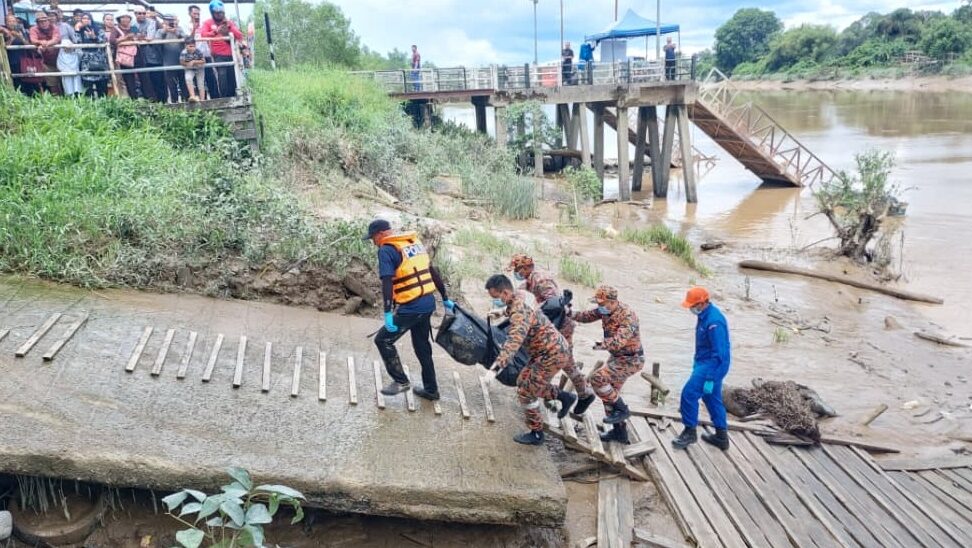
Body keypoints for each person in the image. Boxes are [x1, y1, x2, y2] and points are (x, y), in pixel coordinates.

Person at [365, 219, 453, 401]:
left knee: (383, 340)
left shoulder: (386, 249)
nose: (373, 242)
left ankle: (401, 381)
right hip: (428, 303)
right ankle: (431, 390)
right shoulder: (413, 244)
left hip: (412, 307)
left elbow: (387, 281)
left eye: (373, 238)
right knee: (422, 347)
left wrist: (388, 312)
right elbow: (432, 272)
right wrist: (444, 298)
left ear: (380, 234)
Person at [487, 274, 577, 445]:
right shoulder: (520, 294)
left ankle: (537, 433)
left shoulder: (519, 312)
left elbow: (513, 342)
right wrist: (501, 312)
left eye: (496, 298)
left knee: (526, 392)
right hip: (546, 350)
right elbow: (518, 308)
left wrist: (495, 368)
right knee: (522, 381)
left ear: (505, 293)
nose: (495, 300)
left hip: (551, 354)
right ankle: (564, 397)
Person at [508, 254, 596, 416]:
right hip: (556, 326)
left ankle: (558, 394)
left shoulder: (541, 280)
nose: (516, 272)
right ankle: (583, 394)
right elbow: (521, 293)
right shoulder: (530, 281)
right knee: (568, 363)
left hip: (560, 327)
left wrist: (533, 312)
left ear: (526, 268)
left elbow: (554, 303)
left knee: (559, 361)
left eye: (517, 269)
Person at [572, 285, 644, 444]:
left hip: (631, 360)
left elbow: (618, 342)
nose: (599, 307)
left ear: (612, 302)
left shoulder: (627, 316)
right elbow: (586, 316)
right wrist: (568, 312)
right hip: (617, 358)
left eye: (602, 304)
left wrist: (596, 344)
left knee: (598, 379)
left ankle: (623, 409)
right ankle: (619, 433)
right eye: (598, 304)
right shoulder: (604, 309)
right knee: (608, 394)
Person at [672, 287, 732, 451]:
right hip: (705, 362)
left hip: (712, 364)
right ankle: (721, 437)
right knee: (711, 398)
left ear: (702, 303)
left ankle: (690, 432)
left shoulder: (714, 322)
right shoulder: (704, 315)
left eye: (693, 305)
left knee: (689, 394)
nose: (690, 308)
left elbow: (719, 354)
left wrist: (711, 377)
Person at [201, 1, 245, 98]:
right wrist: (216, 31)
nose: (220, 15)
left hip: (231, 54)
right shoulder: (208, 23)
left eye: (221, 12)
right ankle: (224, 98)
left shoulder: (229, 22)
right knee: (222, 76)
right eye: (217, 13)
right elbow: (203, 34)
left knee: (232, 77)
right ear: (212, 13)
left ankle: (233, 97)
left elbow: (239, 35)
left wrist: (229, 28)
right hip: (218, 55)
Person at [186, 5, 218, 101]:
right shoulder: (186, 25)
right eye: (194, 13)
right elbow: (188, 40)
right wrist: (194, 29)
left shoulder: (204, 24)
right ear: (189, 14)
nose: (196, 15)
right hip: (194, 56)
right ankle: (200, 100)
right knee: (197, 80)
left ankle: (216, 98)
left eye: (198, 14)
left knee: (211, 78)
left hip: (206, 54)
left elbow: (209, 37)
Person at [2, 13, 38, 95]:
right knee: (15, 81)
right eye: (9, 21)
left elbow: (29, 46)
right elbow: (3, 47)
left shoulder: (23, 31)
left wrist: (20, 37)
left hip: (24, 61)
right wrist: (11, 38)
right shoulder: (4, 33)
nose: (12, 23)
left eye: (13, 21)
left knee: (28, 81)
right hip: (11, 62)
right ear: (6, 23)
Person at [134, 6, 164, 102]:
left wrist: (139, 37)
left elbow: (150, 37)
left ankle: (162, 101)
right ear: (135, 14)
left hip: (154, 57)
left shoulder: (152, 22)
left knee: (158, 80)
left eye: (143, 13)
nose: (142, 15)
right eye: (139, 13)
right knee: (144, 82)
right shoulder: (132, 24)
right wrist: (140, 37)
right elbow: (134, 37)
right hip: (139, 58)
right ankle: (150, 101)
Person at [77, 13, 109, 98]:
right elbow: (76, 42)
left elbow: (104, 41)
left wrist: (94, 37)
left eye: (88, 18)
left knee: (102, 88)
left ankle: (104, 106)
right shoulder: (80, 32)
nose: (86, 20)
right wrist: (77, 29)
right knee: (88, 88)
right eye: (83, 18)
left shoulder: (98, 29)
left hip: (99, 62)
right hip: (86, 63)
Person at [29, 12, 62, 94]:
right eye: (41, 21)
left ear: (48, 21)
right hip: (46, 62)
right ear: (37, 23)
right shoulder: (34, 29)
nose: (43, 23)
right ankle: (57, 102)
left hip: (61, 60)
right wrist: (41, 42)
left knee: (65, 83)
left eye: (45, 21)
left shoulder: (54, 27)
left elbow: (56, 38)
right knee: (52, 84)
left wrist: (45, 43)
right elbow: (33, 39)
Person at [157, 14, 187, 103]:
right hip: (168, 63)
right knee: (172, 85)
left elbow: (186, 39)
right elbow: (156, 43)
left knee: (184, 84)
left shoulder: (180, 29)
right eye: (168, 20)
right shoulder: (160, 31)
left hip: (181, 62)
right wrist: (165, 31)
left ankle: (186, 102)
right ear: (164, 21)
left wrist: (176, 32)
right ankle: (175, 103)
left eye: (172, 20)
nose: (170, 22)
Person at [110, 13, 140, 98]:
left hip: (137, 55)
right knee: (128, 78)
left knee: (142, 76)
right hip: (124, 58)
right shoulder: (116, 29)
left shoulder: (134, 28)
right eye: (123, 17)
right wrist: (126, 38)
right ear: (119, 19)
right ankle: (134, 98)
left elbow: (138, 37)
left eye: (127, 17)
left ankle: (148, 98)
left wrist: (138, 38)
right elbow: (112, 41)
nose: (125, 19)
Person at [180, 37, 206, 102]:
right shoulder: (184, 52)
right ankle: (192, 96)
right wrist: (187, 64)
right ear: (186, 46)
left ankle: (202, 100)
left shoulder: (198, 51)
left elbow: (203, 61)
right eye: (190, 46)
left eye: (193, 46)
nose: (192, 48)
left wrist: (194, 61)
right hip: (190, 69)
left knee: (201, 84)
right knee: (188, 78)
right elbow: (181, 62)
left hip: (199, 69)